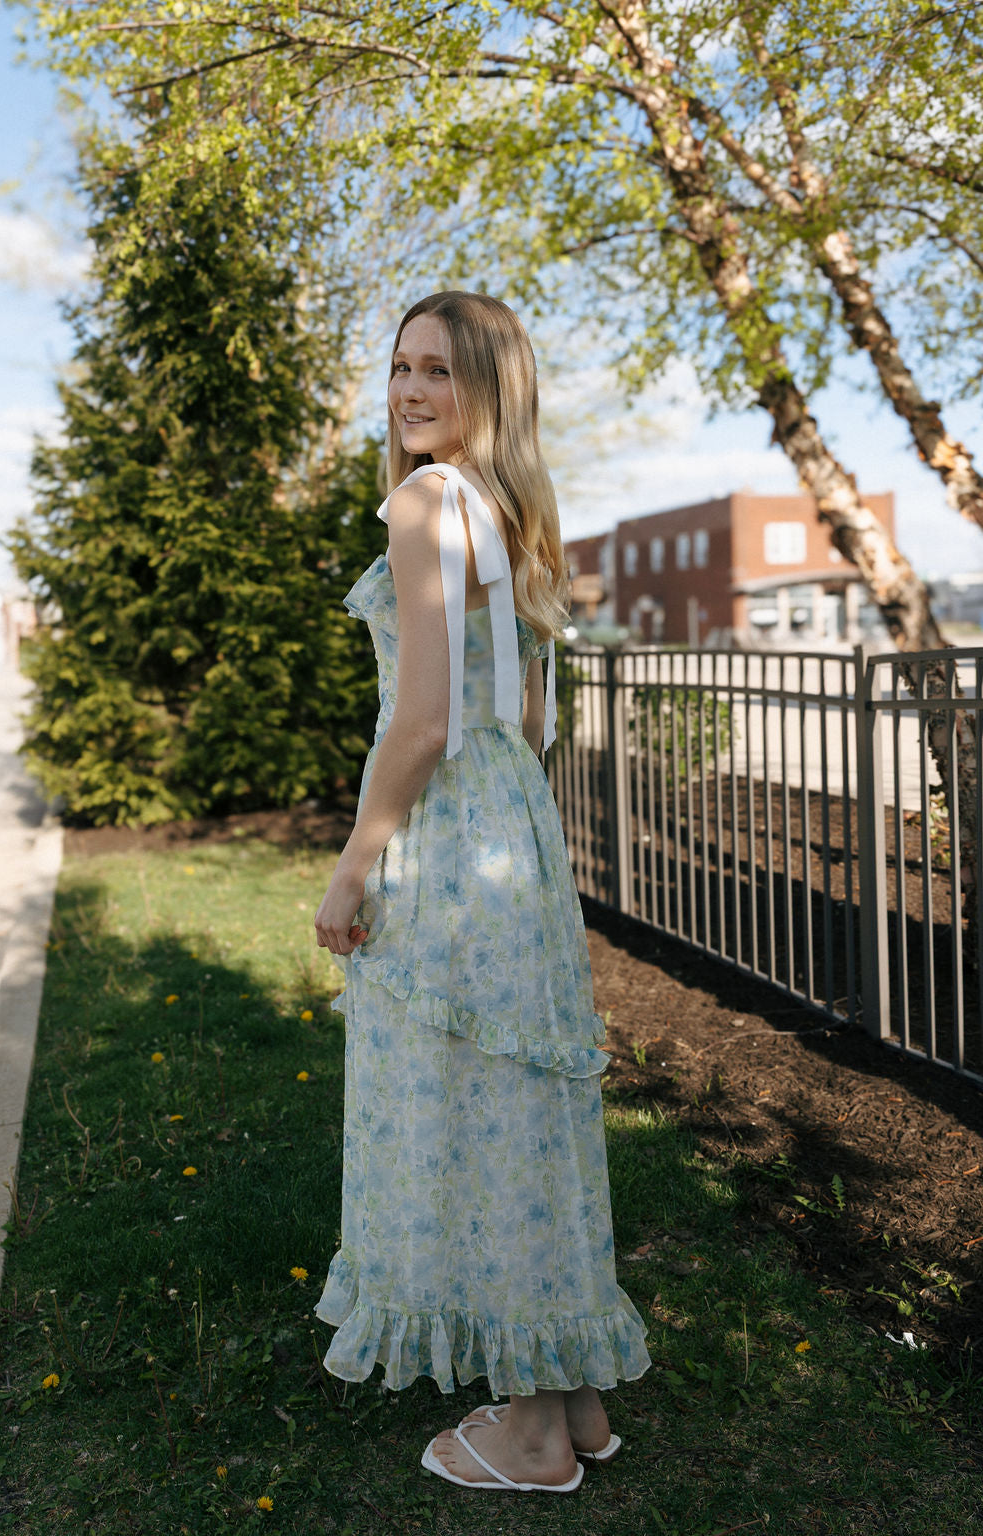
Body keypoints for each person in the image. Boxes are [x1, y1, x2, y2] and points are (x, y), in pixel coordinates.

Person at [314, 291, 650, 1493]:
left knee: (469, 1113)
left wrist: (357, 862)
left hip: (450, 829)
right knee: (518, 1113)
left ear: (487, 390)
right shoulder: (506, 506)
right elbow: (529, 718)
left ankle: (535, 1435)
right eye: (400, 366)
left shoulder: (423, 504)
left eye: (438, 371)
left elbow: (421, 722)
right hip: (515, 823)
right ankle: (574, 1397)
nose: (408, 390)